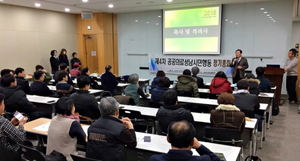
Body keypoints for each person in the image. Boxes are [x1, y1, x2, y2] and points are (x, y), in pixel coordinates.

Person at [149, 121, 222, 161]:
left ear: (168, 139)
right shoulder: (204, 159)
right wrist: (199, 147)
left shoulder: (154, 159)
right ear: (192, 142)